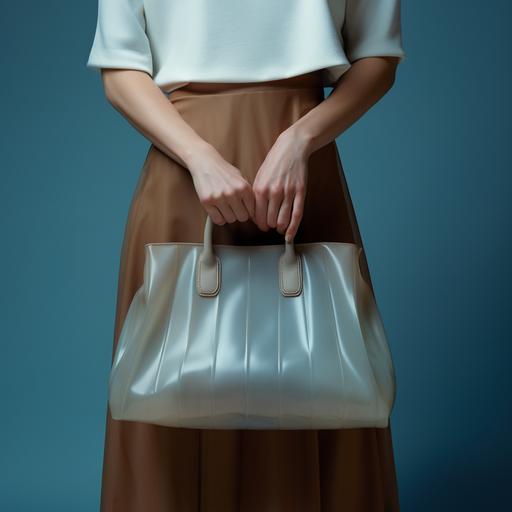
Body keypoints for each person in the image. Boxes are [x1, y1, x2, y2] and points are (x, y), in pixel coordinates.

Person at [86, 0, 406, 510]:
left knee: (314, 376)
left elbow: (378, 58)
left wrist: (302, 140)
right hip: (184, 172)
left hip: (302, 172)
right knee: (169, 384)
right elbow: (120, 68)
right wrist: (198, 157)